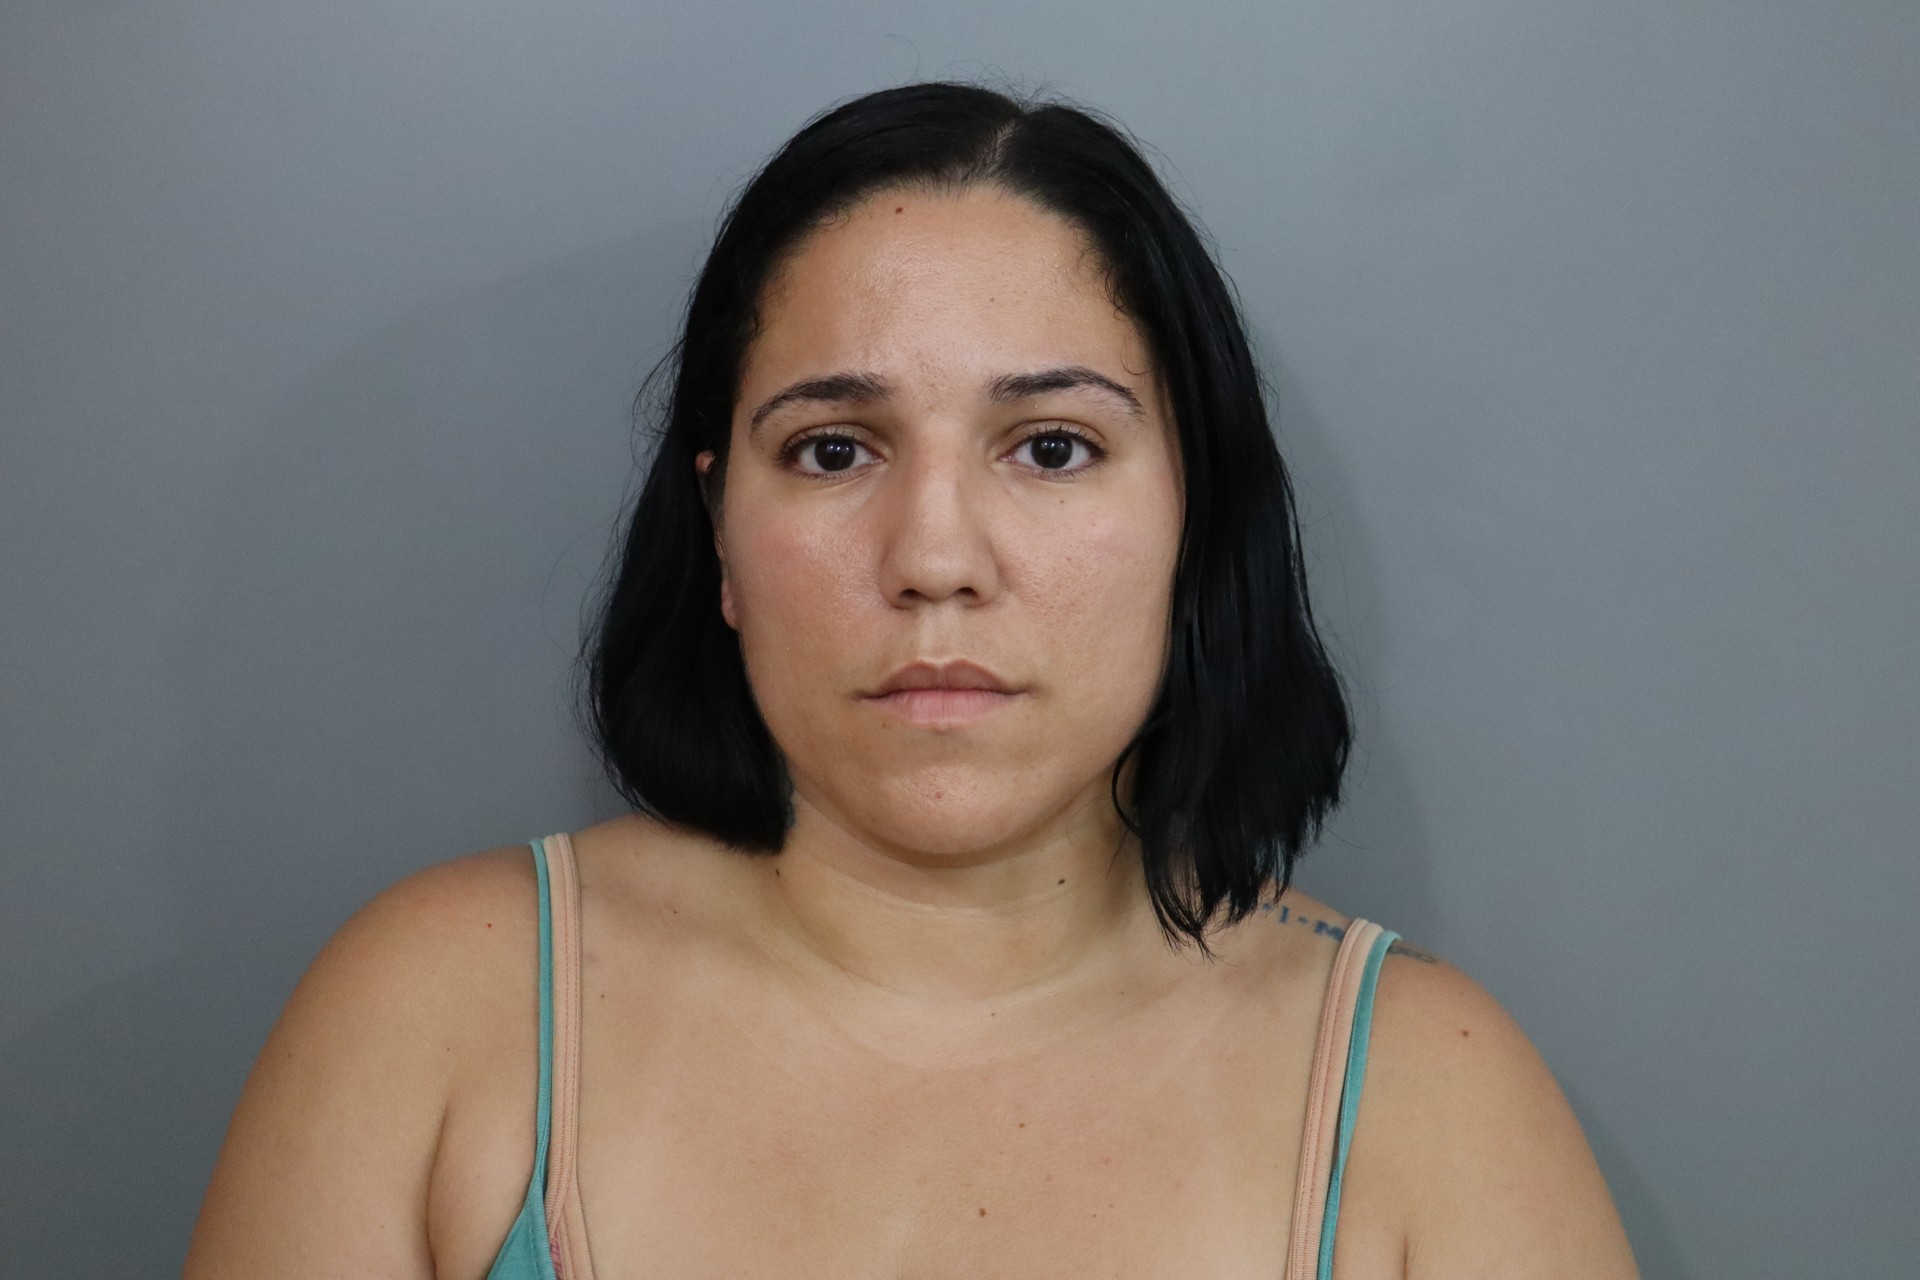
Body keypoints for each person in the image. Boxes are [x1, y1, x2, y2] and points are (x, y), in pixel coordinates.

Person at [186, 82, 1638, 1278]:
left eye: (1052, 448)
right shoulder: (437, 1016)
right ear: (720, 532)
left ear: (1193, 522)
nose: (935, 557)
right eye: (834, 451)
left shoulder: (1434, 1106)